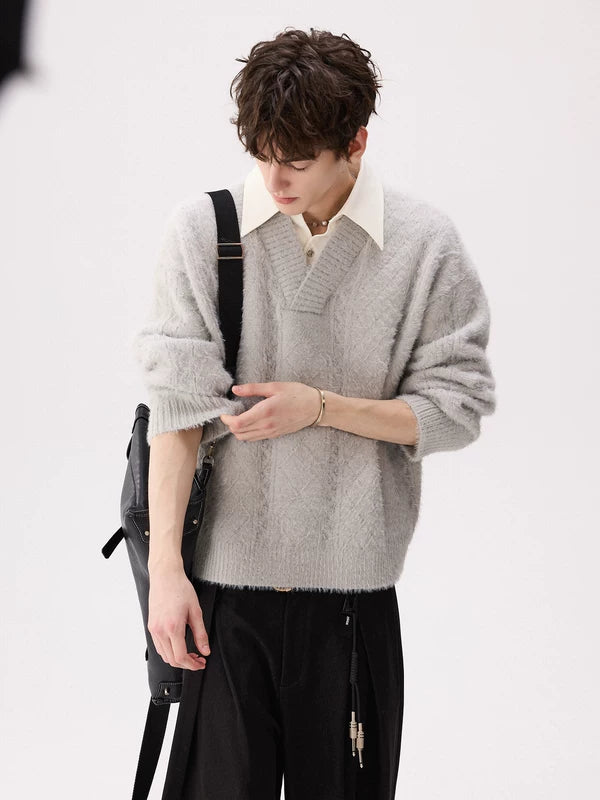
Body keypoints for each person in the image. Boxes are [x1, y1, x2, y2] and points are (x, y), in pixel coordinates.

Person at [131, 26, 497, 800]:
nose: (274, 178)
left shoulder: (424, 246)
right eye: (261, 154)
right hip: (221, 603)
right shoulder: (204, 232)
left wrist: (321, 408)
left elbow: (457, 407)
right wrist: (166, 573)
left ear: (355, 143)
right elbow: (174, 413)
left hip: (352, 606)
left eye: (297, 160)